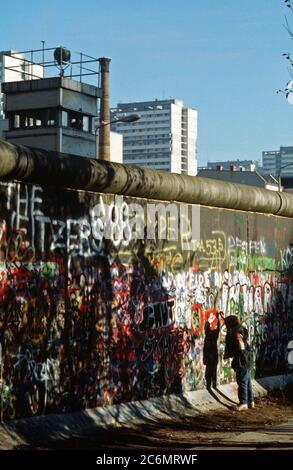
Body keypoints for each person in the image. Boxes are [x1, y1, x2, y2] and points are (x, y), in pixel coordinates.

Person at [224, 315, 254, 411]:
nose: (226, 326)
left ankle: (243, 402)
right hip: (247, 357)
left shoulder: (236, 332)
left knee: (242, 381)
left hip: (242, 358)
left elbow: (239, 344)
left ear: (230, 324)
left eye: (226, 324)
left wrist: (232, 354)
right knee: (247, 380)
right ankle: (250, 401)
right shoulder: (241, 329)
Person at [203, 311, 220, 389]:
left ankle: (209, 386)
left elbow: (204, 349)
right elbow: (218, 328)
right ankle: (214, 385)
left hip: (209, 357)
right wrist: (217, 317)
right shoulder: (214, 335)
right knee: (213, 371)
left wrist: (209, 320)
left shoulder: (207, 337)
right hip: (214, 356)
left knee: (209, 372)